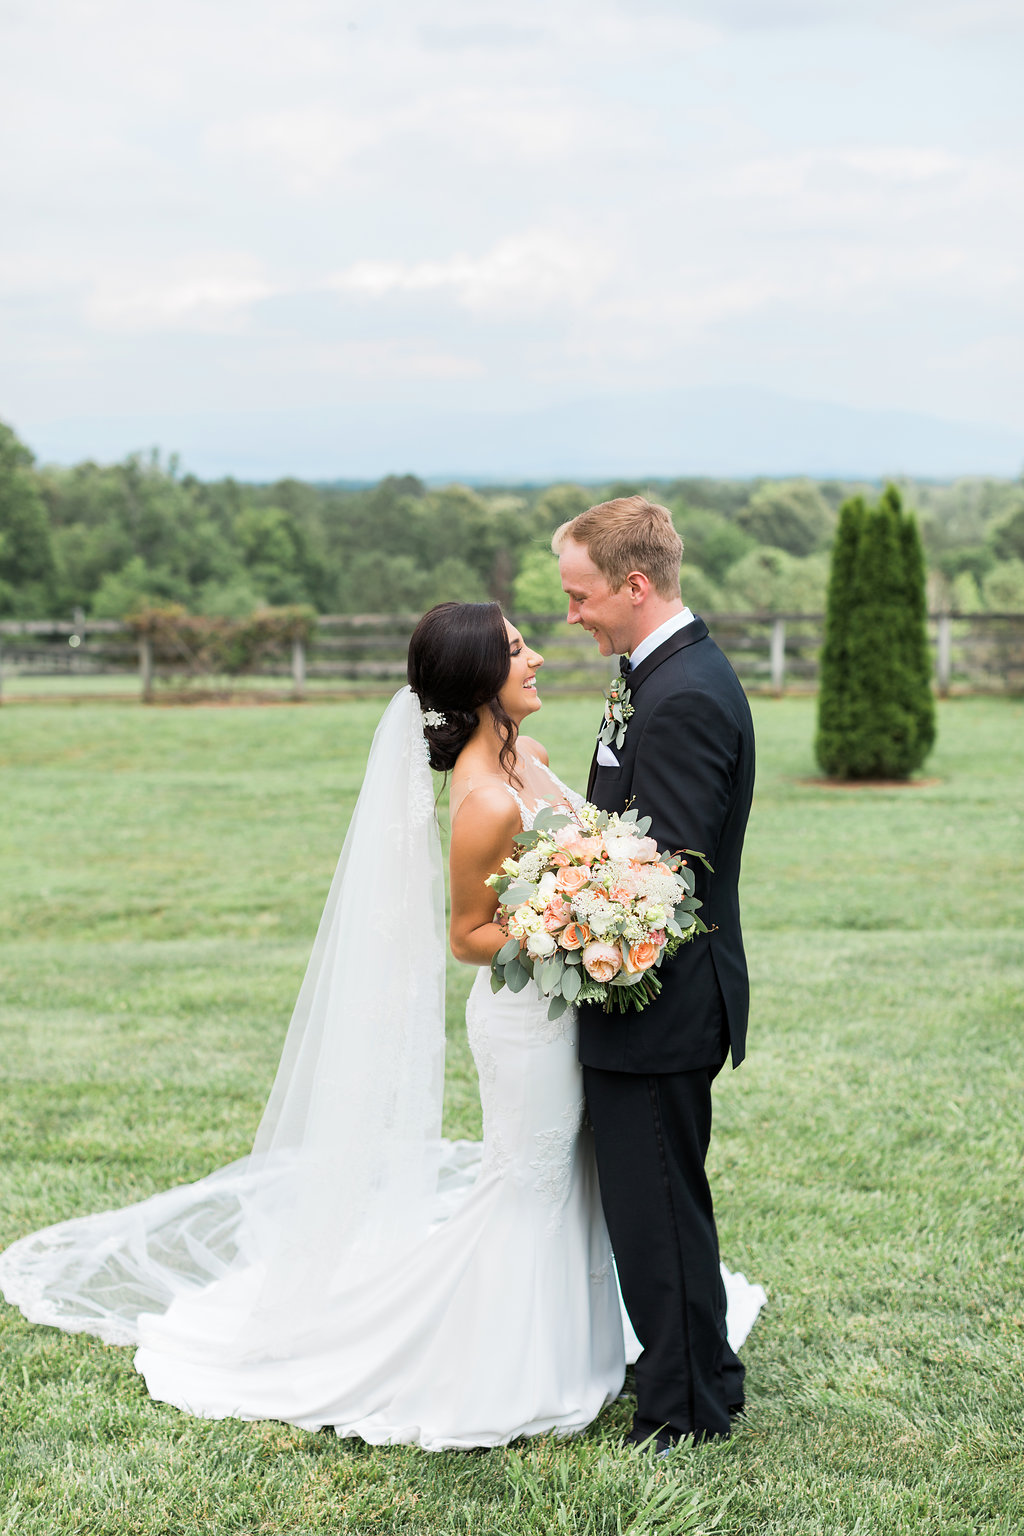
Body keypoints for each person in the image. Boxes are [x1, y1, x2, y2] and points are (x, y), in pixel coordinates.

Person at [0, 599, 762, 1449]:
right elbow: (469, 936)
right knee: (530, 1183)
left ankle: (577, 1347)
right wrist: (569, 927)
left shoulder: (532, 757)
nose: (538, 656)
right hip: (525, 1022)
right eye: (517, 650)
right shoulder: (483, 805)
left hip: (568, 1007)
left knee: (577, 1182)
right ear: (481, 681)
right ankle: (504, 1361)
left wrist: (595, 900)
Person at [554, 497, 758, 1449]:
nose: (572, 616)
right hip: (652, 1002)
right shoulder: (658, 672)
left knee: (657, 1210)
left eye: (580, 595)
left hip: (659, 1005)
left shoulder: (684, 696)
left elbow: (661, 879)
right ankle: (706, 1367)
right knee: (664, 1197)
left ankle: (683, 1410)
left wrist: (558, 918)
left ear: (635, 587)